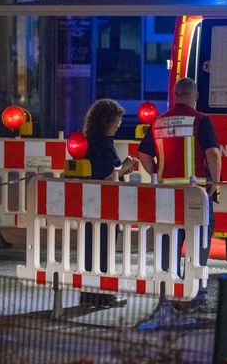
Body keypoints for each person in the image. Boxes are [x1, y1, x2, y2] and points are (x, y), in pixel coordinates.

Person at [137, 78, 222, 312]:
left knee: (168, 243)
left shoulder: (158, 123)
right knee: (198, 244)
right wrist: (214, 181)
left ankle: (168, 293)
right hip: (195, 195)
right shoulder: (201, 121)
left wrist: (157, 173)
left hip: (167, 195)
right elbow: (213, 153)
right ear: (195, 96)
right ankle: (195, 296)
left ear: (175, 94)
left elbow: (143, 155)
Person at [80, 98, 137, 308]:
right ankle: (103, 296)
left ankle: (88, 295)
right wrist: (125, 167)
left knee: (90, 249)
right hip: (104, 205)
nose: (119, 124)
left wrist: (121, 169)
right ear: (106, 121)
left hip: (90, 204)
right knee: (103, 250)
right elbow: (108, 177)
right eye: (117, 121)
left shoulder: (91, 140)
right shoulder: (102, 143)